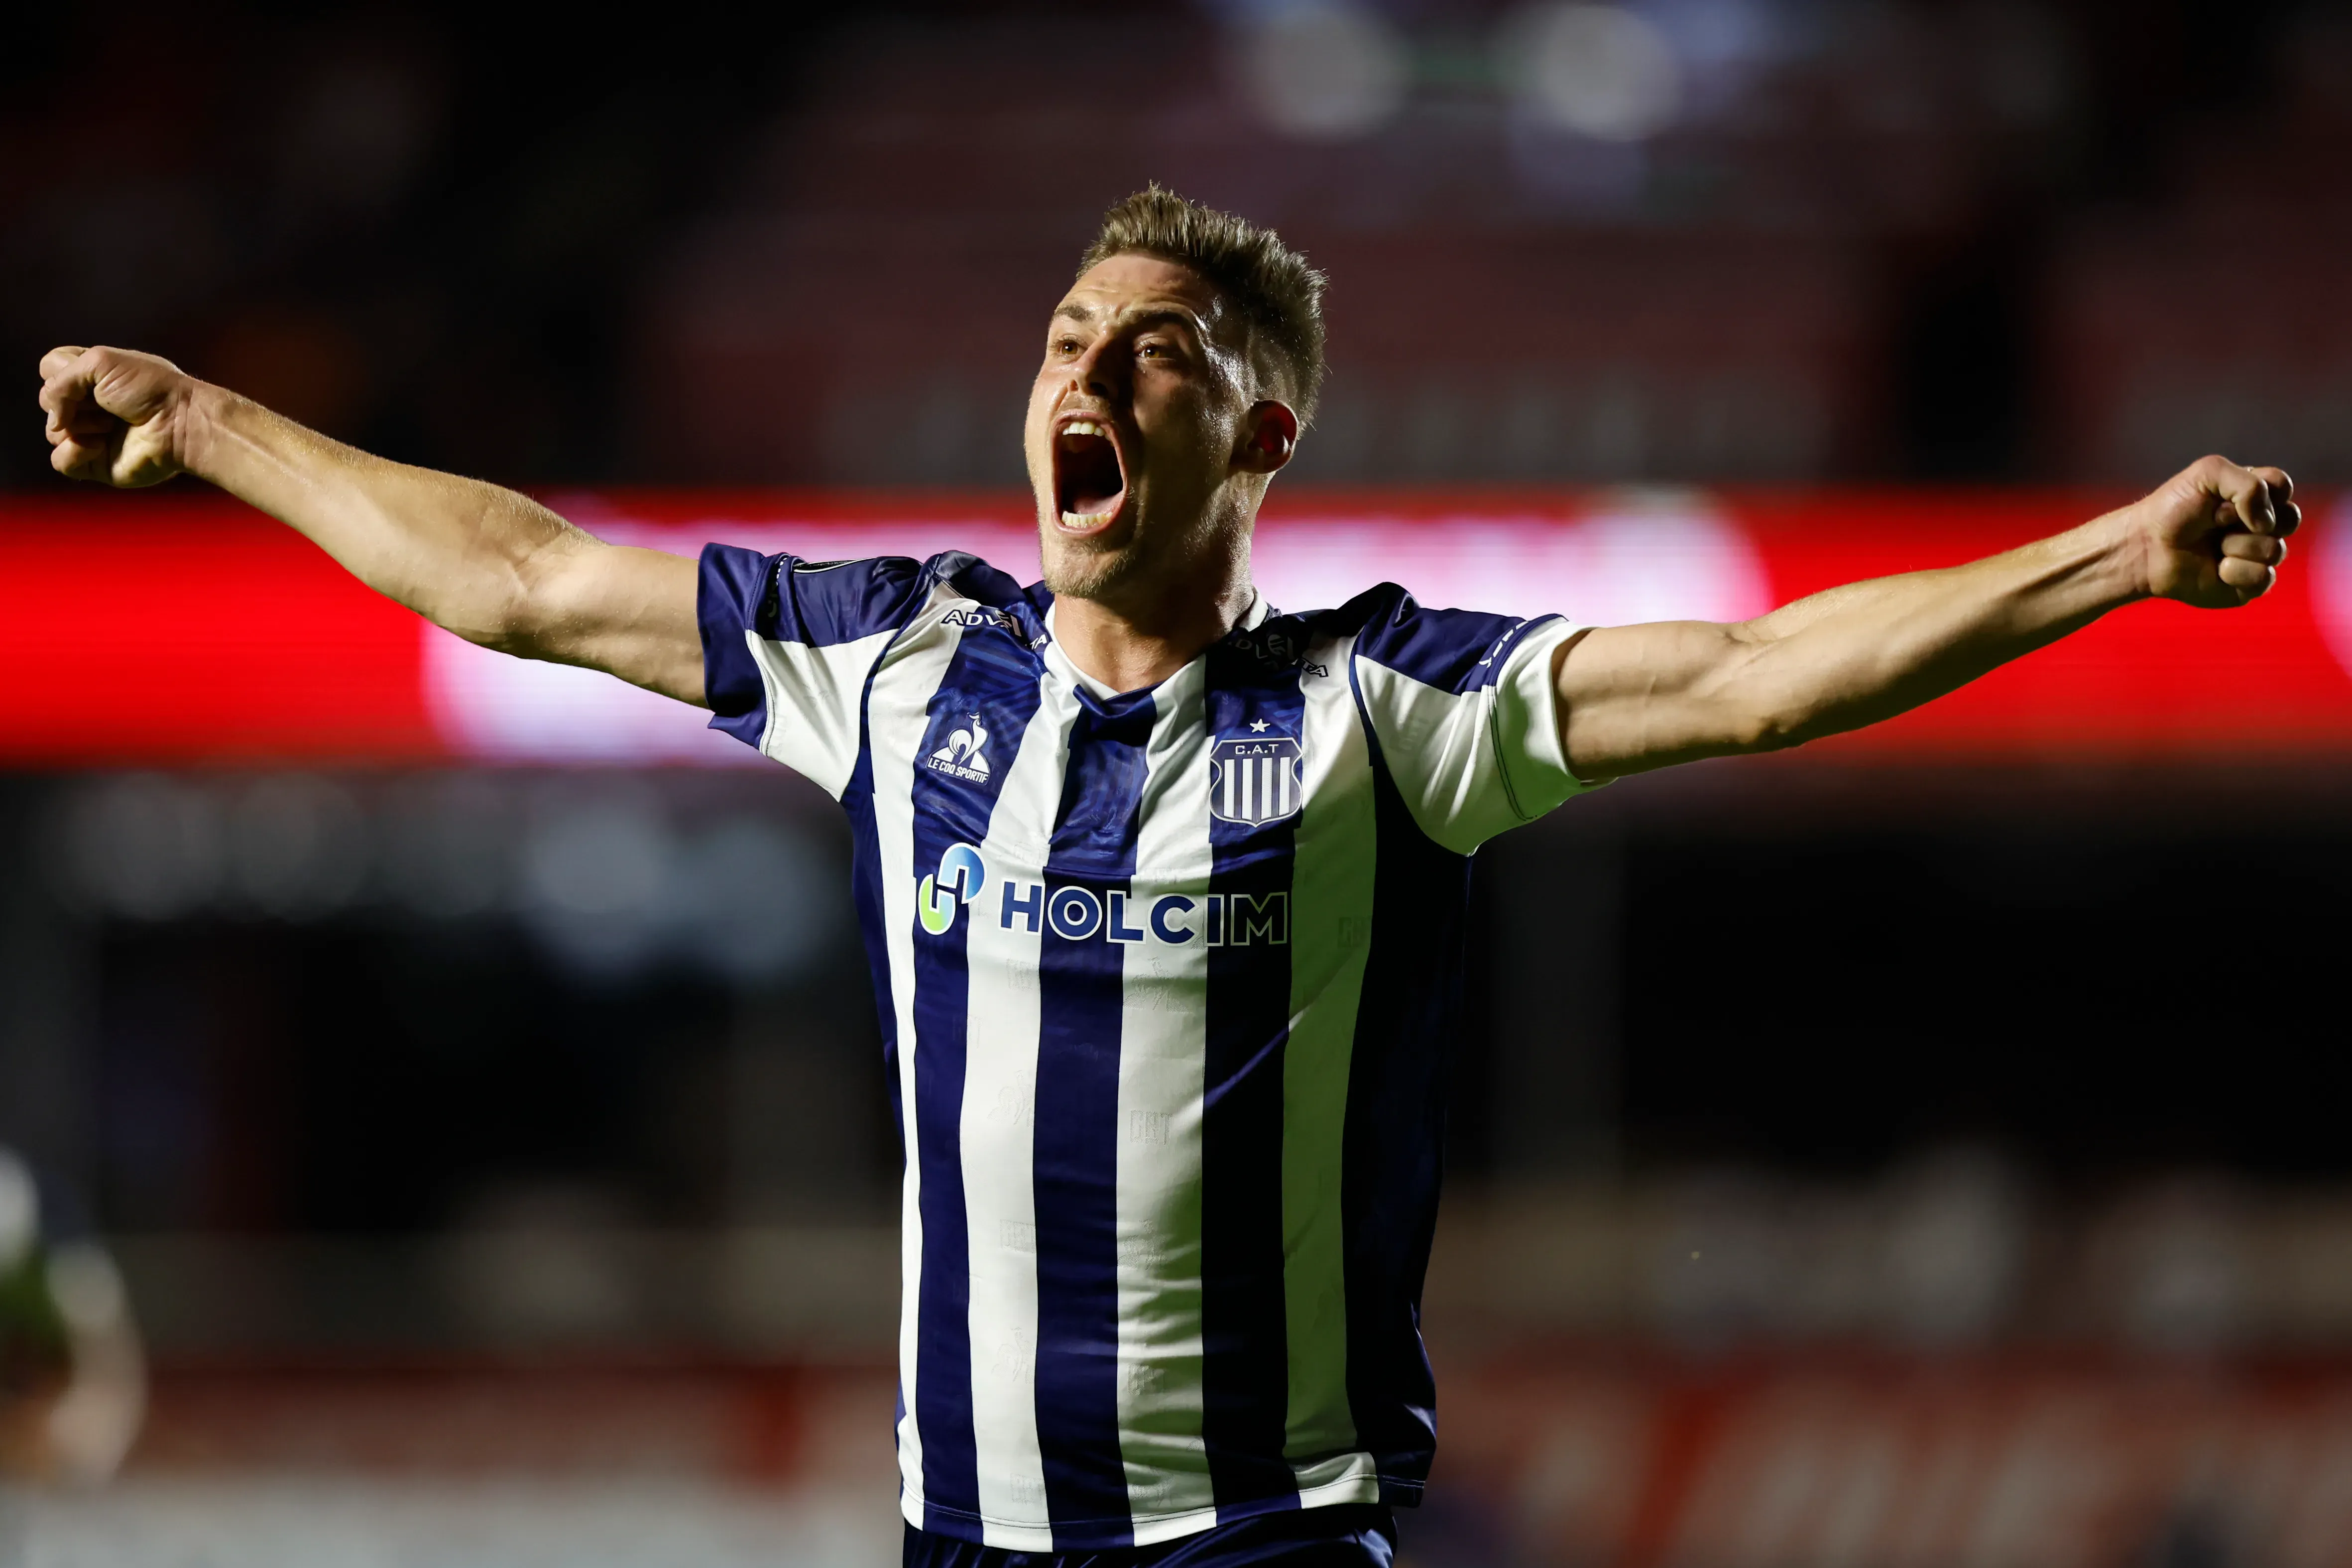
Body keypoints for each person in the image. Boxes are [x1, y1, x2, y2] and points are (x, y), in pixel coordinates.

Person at [35, 186, 2294, 1566]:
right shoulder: (894, 661)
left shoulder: (1380, 713)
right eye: (1057, 342)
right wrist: (210, 422)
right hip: (965, 1545)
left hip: (1261, 1548)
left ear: (1260, 433)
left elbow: (1758, 671)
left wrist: (2112, 553)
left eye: (1152, 349)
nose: (1084, 371)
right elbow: (528, 576)